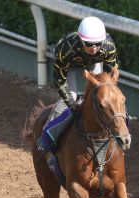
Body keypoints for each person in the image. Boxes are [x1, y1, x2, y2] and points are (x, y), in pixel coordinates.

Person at [37, 16, 118, 152]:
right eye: (89, 44)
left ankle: (119, 134)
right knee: (71, 97)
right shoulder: (66, 50)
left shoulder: (109, 47)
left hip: (94, 63)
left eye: (98, 43)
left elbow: (109, 77)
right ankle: (46, 136)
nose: (94, 48)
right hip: (71, 65)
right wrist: (73, 106)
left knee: (101, 96)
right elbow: (60, 81)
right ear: (81, 40)